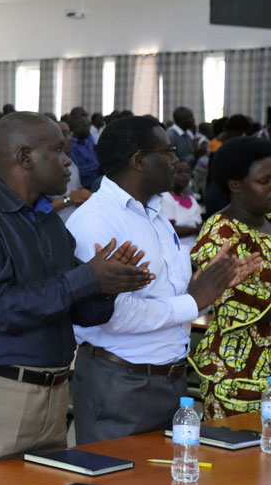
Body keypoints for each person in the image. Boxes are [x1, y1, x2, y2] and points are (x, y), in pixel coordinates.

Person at [0, 112, 153, 469]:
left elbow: (79, 312)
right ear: (25, 157)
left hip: (51, 395)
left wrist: (111, 284)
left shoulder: (46, 219)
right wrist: (87, 278)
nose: (68, 160)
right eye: (57, 150)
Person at [65, 116, 258, 444]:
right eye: (167, 151)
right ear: (139, 161)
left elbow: (166, 292)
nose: (177, 160)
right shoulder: (96, 221)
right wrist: (194, 301)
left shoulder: (153, 215)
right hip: (120, 382)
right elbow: (110, 315)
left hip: (170, 380)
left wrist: (209, 280)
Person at [191, 137, 271, 419]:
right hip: (238, 371)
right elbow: (235, 306)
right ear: (235, 185)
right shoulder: (220, 233)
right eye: (265, 181)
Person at [50, 120, 91, 223]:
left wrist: (82, 197)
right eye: (64, 134)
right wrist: (69, 199)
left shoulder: (72, 164)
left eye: (69, 133)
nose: (69, 138)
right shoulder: (45, 168)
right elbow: (37, 212)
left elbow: (76, 193)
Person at [159, 160, 202, 254]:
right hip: (177, 254)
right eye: (179, 172)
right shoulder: (165, 198)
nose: (185, 175)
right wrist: (196, 230)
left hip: (195, 253)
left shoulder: (191, 198)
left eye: (187, 171)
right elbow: (168, 230)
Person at [67, 114, 100, 189]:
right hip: (82, 187)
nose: (88, 128)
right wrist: (97, 166)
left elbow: (94, 161)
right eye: (85, 125)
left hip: (93, 183)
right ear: (75, 128)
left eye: (89, 125)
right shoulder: (71, 146)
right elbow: (78, 171)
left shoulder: (87, 141)